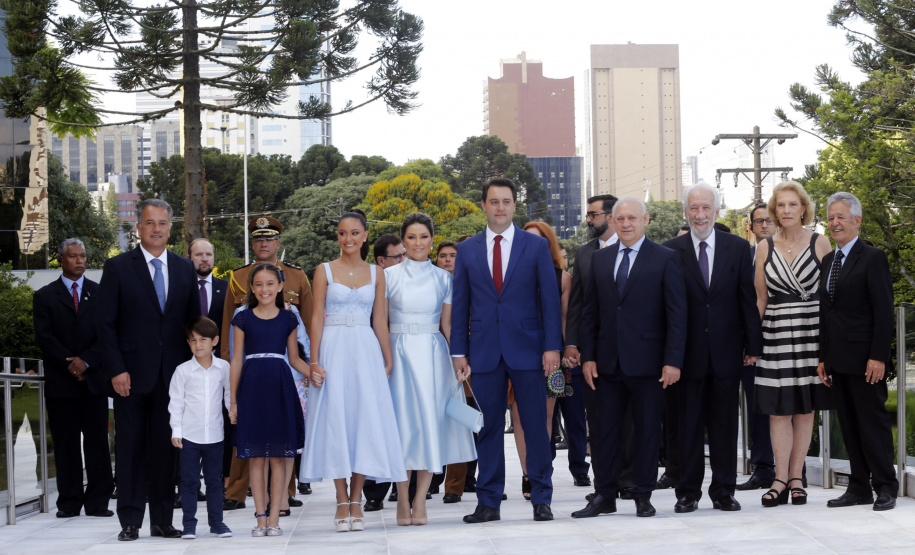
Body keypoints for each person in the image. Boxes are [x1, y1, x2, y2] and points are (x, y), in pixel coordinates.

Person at [451, 177, 562, 524]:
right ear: (483, 205)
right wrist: (459, 352)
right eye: (494, 201)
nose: (500, 207)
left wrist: (552, 347)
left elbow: (550, 302)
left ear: (515, 205)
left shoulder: (535, 246)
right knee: (486, 429)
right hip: (483, 352)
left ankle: (541, 497)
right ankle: (488, 502)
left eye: (506, 201)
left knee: (534, 426)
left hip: (530, 351)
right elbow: (461, 304)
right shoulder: (467, 250)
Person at [572, 196, 686, 519]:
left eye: (632, 218)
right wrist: (588, 356)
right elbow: (589, 313)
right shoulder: (601, 260)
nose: (625, 224)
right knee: (604, 432)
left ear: (645, 220)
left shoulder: (665, 258)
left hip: (650, 364)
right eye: (620, 218)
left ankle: (642, 494)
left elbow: (676, 315)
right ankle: (604, 494)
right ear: (613, 221)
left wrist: (673, 360)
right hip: (606, 364)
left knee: (647, 431)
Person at [96, 198, 200, 541]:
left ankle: (161, 520)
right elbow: (106, 325)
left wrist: (194, 371)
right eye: (150, 223)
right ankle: (129, 520)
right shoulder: (118, 267)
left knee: (166, 450)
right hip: (129, 376)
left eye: (163, 223)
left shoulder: (185, 269)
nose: (156, 229)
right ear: (138, 228)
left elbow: (192, 324)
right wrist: (116, 369)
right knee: (129, 449)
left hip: (172, 377)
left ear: (171, 227)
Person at [301, 211, 406, 532]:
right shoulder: (323, 271)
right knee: (335, 421)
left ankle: (357, 498)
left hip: (365, 351)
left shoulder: (377, 273)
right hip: (332, 350)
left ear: (364, 236)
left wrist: (387, 359)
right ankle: (340, 498)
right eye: (342, 233)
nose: (348, 239)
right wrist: (314, 361)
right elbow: (316, 316)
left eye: (354, 233)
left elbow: (380, 320)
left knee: (364, 422)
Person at [662, 183, 762, 513]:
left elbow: (747, 299)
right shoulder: (670, 251)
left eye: (706, 208)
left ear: (716, 211)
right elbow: (665, 309)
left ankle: (723, 492)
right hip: (685, 357)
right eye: (694, 208)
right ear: (686, 212)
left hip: (726, 352)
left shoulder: (737, 248)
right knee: (687, 428)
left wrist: (753, 343)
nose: (700, 215)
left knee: (723, 427)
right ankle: (688, 493)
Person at [387, 213, 477, 525]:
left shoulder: (444, 279)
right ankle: (401, 499)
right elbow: (380, 323)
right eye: (411, 237)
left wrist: (460, 359)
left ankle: (421, 499)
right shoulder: (387, 276)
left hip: (432, 354)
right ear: (403, 240)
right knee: (401, 428)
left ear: (431, 240)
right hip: (397, 354)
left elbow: (449, 325)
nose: (417, 243)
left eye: (423, 237)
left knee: (429, 426)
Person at [221, 216, 312, 512]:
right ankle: (236, 491)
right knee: (247, 435)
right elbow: (229, 332)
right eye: (258, 239)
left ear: (278, 242)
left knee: (282, 438)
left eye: (269, 238)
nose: (263, 243)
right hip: (249, 370)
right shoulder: (238, 277)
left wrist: (313, 366)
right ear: (252, 243)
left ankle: (283, 496)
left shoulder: (297, 277)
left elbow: (307, 325)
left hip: (287, 370)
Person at [754, 181, 832, 507]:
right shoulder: (764, 247)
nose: (787, 211)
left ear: (803, 209)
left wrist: (830, 346)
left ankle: (797, 477)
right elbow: (760, 299)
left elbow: (830, 298)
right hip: (774, 337)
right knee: (777, 411)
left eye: (792, 205)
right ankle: (779, 478)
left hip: (811, 334)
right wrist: (752, 343)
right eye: (781, 205)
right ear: (775, 211)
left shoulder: (821, 242)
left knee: (804, 408)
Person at [817, 192, 897, 511]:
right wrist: (823, 356)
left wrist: (878, 356)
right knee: (848, 426)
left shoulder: (872, 257)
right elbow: (826, 312)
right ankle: (859, 487)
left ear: (857, 221)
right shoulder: (828, 261)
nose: (835, 223)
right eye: (831, 217)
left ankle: (886, 486)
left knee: (873, 425)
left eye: (841, 217)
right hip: (837, 359)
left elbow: (884, 310)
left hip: (866, 360)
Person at [33, 238, 113, 519]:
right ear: (60, 259)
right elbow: (44, 337)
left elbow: (107, 334)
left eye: (83, 256)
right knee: (66, 445)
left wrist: (87, 361)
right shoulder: (44, 296)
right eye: (73, 256)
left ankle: (98, 502)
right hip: (61, 384)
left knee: (97, 444)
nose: (80, 260)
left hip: (93, 383)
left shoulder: (100, 293)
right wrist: (71, 363)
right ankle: (68, 502)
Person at [228, 263, 308, 537]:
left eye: (270, 283)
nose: (264, 289)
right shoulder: (242, 319)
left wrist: (316, 373)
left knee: (277, 456)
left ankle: (275, 518)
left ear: (280, 286)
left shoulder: (289, 319)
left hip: (280, 386)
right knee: (256, 459)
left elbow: (295, 358)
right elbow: (236, 359)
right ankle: (260, 518)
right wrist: (234, 401)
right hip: (251, 387)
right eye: (259, 284)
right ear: (252, 288)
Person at [508, 220, 572, 501]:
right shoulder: (511, 274)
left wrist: (564, 349)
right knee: (520, 417)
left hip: (551, 354)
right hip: (516, 353)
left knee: (546, 416)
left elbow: (565, 319)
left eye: (540, 241)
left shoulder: (563, 278)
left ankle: (541, 470)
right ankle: (528, 474)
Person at [563, 194, 619, 493]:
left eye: (593, 214)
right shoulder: (584, 253)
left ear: (610, 216)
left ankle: (631, 479)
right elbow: (577, 304)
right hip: (592, 352)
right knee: (597, 421)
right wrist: (572, 343)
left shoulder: (633, 247)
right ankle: (604, 483)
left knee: (629, 421)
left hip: (631, 351)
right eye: (588, 214)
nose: (588, 219)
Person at [168, 317, 233, 539]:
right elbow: (175, 403)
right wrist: (176, 431)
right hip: (189, 437)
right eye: (193, 340)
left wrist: (234, 413)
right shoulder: (182, 371)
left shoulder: (224, 367)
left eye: (203, 339)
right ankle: (189, 525)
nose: (198, 345)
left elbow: (228, 396)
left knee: (215, 481)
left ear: (214, 341)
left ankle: (217, 523)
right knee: (189, 482)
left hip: (215, 435)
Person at [362, 233, 407, 512]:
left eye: (405, 254)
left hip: (409, 359)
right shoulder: (368, 283)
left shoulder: (416, 279)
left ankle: (407, 486)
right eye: (398, 256)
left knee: (405, 422)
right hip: (376, 359)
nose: (404, 259)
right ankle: (374, 490)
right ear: (381, 261)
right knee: (373, 423)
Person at [736, 202, 777, 491]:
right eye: (758, 221)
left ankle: (791, 469)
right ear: (750, 226)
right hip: (751, 347)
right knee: (756, 408)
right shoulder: (744, 257)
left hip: (784, 340)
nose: (764, 225)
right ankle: (763, 468)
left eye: (768, 220)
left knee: (789, 407)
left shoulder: (791, 253)